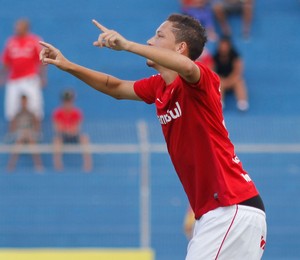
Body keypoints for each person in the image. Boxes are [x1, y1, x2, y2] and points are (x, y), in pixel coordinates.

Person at [39, 13, 266, 259]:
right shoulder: (159, 86)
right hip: (222, 213)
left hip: (228, 207)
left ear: (181, 48)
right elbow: (114, 87)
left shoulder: (200, 79)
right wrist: (66, 64)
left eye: (159, 36)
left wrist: (126, 45)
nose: (149, 41)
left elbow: (188, 66)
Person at [0, 18, 46, 124]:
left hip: (30, 78)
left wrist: (43, 78)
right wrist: (2, 77)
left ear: (26, 27)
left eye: (19, 26)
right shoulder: (11, 42)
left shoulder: (35, 41)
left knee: (35, 107)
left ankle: (37, 134)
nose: (16, 28)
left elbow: (42, 60)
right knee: (11, 109)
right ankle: (12, 136)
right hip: (14, 80)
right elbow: (6, 62)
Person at [52, 89, 92, 172]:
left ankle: (87, 165)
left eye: (69, 100)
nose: (67, 103)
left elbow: (77, 128)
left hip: (74, 136)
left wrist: (68, 129)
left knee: (85, 138)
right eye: (66, 100)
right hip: (63, 136)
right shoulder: (57, 113)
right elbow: (57, 128)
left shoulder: (77, 112)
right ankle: (58, 166)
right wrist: (67, 130)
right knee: (56, 140)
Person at [6, 95, 43, 172]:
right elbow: (12, 128)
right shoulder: (17, 114)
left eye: (25, 101)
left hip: (30, 134)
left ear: (27, 102)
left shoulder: (31, 114)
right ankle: (11, 165)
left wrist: (33, 130)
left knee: (31, 140)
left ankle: (38, 165)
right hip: (19, 134)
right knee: (19, 140)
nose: (23, 103)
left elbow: (36, 126)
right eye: (22, 101)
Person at [213, 36, 249, 111]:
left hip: (233, 79)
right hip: (220, 79)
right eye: (221, 45)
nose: (223, 48)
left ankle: (242, 102)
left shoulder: (236, 56)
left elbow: (238, 71)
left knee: (239, 81)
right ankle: (220, 103)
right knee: (219, 83)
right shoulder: (214, 57)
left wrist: (230, 80)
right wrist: (221, 80)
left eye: (225, 46)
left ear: (229, 46)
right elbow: (212, 72)